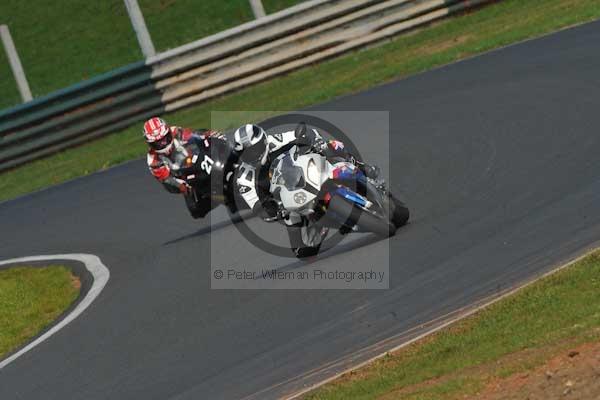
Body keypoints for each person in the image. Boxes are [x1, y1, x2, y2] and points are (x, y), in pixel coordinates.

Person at [231, 123, 382, 257]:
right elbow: (256, 206)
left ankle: (362, 167)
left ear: (263, 141)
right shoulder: (243, 178)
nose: (251, 156)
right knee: (301, 251)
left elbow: (306, 133)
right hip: (286, 201)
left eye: (253, 150)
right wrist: (271, 212)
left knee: (332, 145)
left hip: (306, 174)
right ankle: (322, 224)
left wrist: (316, 142)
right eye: (245, 154)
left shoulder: (275, 141)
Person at [143, 117, 236, 219]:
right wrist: (182, 186)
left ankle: (238, 156)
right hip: (184, 177)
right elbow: (167, 179)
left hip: (196, 159)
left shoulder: (176, 132)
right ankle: (224, 199)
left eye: (164, 139)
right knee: (196, 210)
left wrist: (209, 135)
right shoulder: (153, 160)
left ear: (168, 132)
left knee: (220, 144)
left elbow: (194, 135)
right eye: (158, 142)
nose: (163, 143)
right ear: (151, 144)